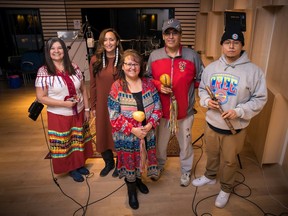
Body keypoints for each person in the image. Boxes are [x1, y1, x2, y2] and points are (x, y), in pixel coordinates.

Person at [192, 28, 267, 208]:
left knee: (229, 161)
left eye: (236, 43)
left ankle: (226, 188)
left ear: (241, 46)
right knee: (211, 154)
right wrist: (206, 100)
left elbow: (260, 98)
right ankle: (210, 177)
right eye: (227, 43)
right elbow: (202, 89)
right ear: (222, 46)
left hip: (235, 127)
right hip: (211, 124)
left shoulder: (254, 71)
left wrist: (239, 111)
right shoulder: (211, 68)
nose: (231, 46)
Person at [146, 18, 203, 187]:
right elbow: (148, 79)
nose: (171, 36)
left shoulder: (192, 56)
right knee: (160, 142)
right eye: (167, 33)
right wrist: (158, 86)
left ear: (180, 35)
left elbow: (201, 78)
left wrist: (191, 93)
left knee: (185, 143)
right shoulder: (154, 56)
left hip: (184, 111)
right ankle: (160, 165)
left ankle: (186, 170)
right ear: (163, 36)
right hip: (161, 111)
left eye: (175, 33)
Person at [108, 49, 162, 209]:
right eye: (128, 64)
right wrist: (133, 130)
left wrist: (150, 124)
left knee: (142, 158)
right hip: (127, 136)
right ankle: (131, 190)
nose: (132, 67)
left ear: (141, 66)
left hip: (147, 132)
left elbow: (158, 108)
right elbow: (113, 115)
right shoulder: (117, 86)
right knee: (130, 163)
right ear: (122, 66)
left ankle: (139, 181)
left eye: (135, 64)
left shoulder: (148, 84)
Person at [35, 37, 93, 182]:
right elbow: (41, 97)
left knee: (78, 139)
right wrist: (64, 104)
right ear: (48, 52)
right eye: (52, 49)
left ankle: (79, 164)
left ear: (64, 50)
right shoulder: (44, 71)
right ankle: (71, 168)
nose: (56, 51)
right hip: (59, 114)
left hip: (78, 111)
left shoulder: (73, 66)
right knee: (66, 141)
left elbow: (83, 90)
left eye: (59, 48)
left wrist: (86, 109)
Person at [89, 28, 123, 177]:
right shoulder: (95, 60)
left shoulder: (123, 59)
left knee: (120, 134)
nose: (108, 43)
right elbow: (93, 84)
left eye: (112, 39)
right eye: (105, 40)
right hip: (102, 104)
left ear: (117, 42)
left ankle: (120, 164)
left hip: (120, 104)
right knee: (103, 133)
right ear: (101, 42)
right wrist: (93, 106)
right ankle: (109, 162)